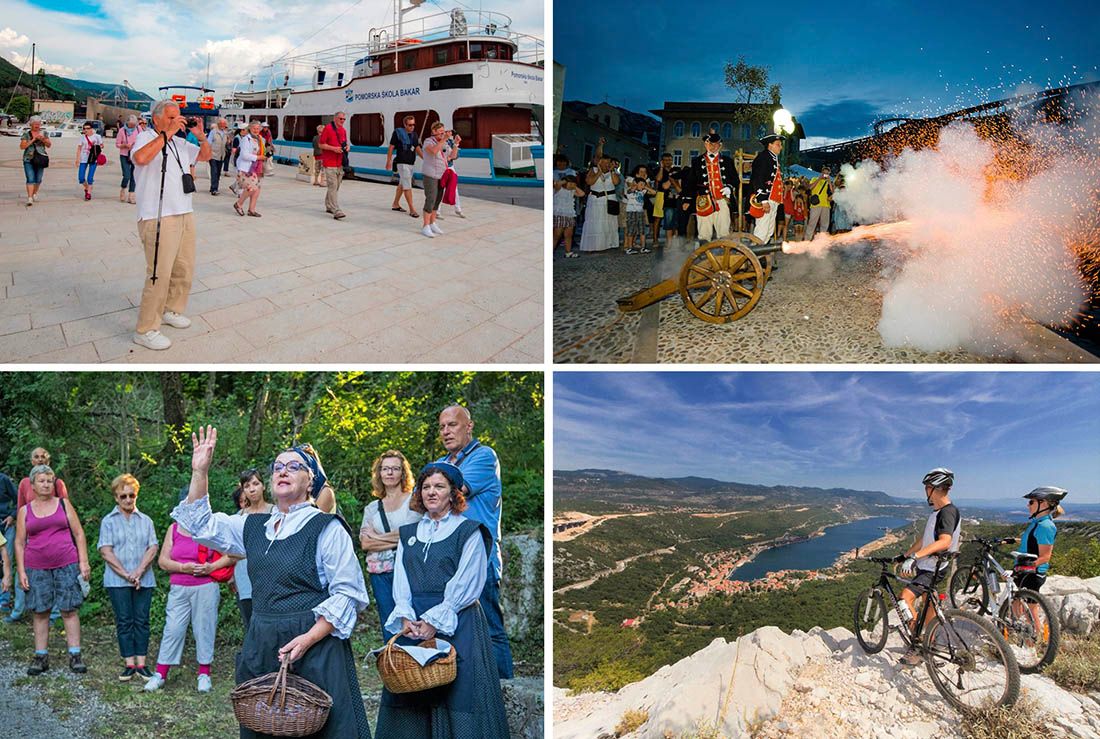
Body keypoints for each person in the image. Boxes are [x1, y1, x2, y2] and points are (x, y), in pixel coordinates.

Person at [173, 428, 373, 738]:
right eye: (278, 467)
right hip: (263, 639)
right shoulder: (253, 525)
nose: (283, 471)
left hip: (313, 641)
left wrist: (307, 640)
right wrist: (200, 471)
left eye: (294, 466)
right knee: (264, 725)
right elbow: (200, 524)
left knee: (320, 727)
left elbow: (348, 594)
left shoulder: (326, 527)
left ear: (311, 481)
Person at [374, 462, 509, 738]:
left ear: (453, 494)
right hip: (414, 624)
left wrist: (435, 620)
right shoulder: (409, 534)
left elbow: (468, 581)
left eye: (439, 486)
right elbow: (401, 579)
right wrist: (406, 616)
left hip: (458, 622)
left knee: (459, 696)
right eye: (426, 487)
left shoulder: (469, 531)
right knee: (413, 693)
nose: (431, 492)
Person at [435, 405, 513, 678]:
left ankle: (506, 692)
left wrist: (431, 491)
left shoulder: (483, 456)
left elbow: (452, 493)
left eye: (452, 425)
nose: (446, 431)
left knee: (490, 629)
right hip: (451, 561)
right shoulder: (444, 463)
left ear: (469, 427)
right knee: (457, 630)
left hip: (482, 557)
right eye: (442, 426)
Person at [129, 99, 212, 351]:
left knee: (183, 268)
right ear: (156, 119)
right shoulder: (145, 137)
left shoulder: (179, 142)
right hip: (157, 215)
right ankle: (145, 329)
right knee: (158, 273)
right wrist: (168, 133)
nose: (177, 121)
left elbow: (206, 156)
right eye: (171, 116)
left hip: (184, 211)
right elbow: (141, 158)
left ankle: (172, 310)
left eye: (179, 117)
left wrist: (201, 137)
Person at [143, 490, 233, 693]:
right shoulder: (174, 529)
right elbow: (163, 561)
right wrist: (183, 568)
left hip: (205, 586)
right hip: (179, 586)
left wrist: (211, 567)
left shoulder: (210, 528)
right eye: (188, 503)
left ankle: (204, 674)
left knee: (204, 628)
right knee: (173, 628)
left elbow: (232, 554)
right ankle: (160, 674)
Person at [14, 464, 90, 675]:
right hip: (35, 567)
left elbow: (79, 534)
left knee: (69, 609)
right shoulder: (24, 511)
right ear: (33, 485)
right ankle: (41, 657)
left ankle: (75, 655)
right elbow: (19, 543)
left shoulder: (63, 504)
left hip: (66, 563)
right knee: (40, 611)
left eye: (49, 480)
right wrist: (21, 571)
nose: (46, 484)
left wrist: (83, 562)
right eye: (42, 481)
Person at [98, 474, 158, 681]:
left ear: (136, 495)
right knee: (124, 621)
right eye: (123, 496)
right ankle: (129, 663)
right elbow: (106, 551)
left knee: (141, 621)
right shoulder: (108, 521)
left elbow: (153, 548)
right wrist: (127, 575)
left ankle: (142, 663)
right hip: (117, 581)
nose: (127, 499)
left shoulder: (146, 521)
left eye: (131, 495)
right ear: (116, 497)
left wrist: (139, 572)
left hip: (145, 579)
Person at [898, 467, 961, 665]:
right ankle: (930, 642)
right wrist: (907, 555)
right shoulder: (939, 512)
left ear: (934, 488)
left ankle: (917, 644)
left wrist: (915, 556)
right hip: (933, 567)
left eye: (927, 487)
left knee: (904, 599)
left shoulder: (946, 513)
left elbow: (944, 541)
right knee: (929, 604)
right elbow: (924, 540)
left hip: (931, 568)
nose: (925, 492)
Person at [359, 450, 421, 643]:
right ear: (379, 473)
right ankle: (395, 665)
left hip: (409, 569)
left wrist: (378, 537)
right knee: (389, 619)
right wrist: (397, 537)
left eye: (395, 468)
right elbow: (365, 543)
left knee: (413, 618)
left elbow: (414, 535)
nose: (390, 473)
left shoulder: (414, 500)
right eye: (385, 469)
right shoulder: (371, 508)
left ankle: (418, 666)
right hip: (381, 572)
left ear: (403, 473)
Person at [7, 448, 68, 624]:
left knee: (56, 571)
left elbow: (65, 509)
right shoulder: (25, 483)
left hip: (55, 537)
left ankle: (54, 614)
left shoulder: (57, 483)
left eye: (44, 457)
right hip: (30, 533)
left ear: (49, 461)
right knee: (22, 570)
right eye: (36, 457)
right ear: (31, 461)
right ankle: (19, 610)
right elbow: (20, 509)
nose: (40, 460)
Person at [231, 469, 275, 631]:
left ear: (263, 486)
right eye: (247, 485)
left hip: (272, 578)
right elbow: (231, 550)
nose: (252, 489)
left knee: (272, 624)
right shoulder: (239, 516)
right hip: (245, 578)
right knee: (250, 626)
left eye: (256, 483)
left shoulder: (275, 512)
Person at [681, 131, 738, 244]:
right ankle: (704, 256)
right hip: (703, 200)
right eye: (710, 143)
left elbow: (735, 180)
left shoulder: (727, 161)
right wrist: (687, 199)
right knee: (704, 231)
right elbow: (691, 182)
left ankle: (722, 255)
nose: (713, 146)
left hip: (722, 199)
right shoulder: (697, 161)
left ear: (720, 145)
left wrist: (729, 188)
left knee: (724, 230)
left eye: (716, 144)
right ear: (705, 144)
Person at [578, 138, 621, 252]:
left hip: (609, 199)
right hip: (595, 199)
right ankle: (593, 245)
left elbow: (616, 182)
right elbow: (589, 182)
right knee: (595, 222)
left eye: (608, 163)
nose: (606, 164)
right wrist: (599, 173)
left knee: (607, 223)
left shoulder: (614, 172)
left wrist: (611, 171)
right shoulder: (593, 170)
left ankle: (608, 244)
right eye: (604, 162)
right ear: (599, 162)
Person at [420, 121, 459, 238]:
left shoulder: (445, 143)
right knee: (430, 199)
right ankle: (425, 226)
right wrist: (444, 139)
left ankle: (432, 223)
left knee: (437, 200)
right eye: (440, 132)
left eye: (444, 132)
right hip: (430, 175)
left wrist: (456, 144)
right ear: (434, 132)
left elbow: (452, 156)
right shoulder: (428, 141)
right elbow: (433, 151)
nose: (443, 134)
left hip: (441, 176)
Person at [748, 134, 785, 246]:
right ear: (770, 145)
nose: (781, 147)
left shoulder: (772, 158)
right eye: (778, 145)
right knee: (762, 230)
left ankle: (761, 258)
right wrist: (763, 200)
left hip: (773, 199)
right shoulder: (763, 158)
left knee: (768, 230)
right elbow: (758, 179)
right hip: (766, 199)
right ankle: (754, 258)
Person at [386, 115, 422, 216]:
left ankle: (395, 204)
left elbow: (417, 147)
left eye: (413, 125)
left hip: (411, 163)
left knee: (402, 184)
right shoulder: (397, 133)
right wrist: (388, 161)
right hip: (402, 163)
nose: (412, 127)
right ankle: (412, 209)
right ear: (405, 125)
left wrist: (425, 158)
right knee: (407, 186)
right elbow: (391, 147)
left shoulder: (414, 134)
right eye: (410, 125)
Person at [319, 111, 349, 220]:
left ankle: (329, 205)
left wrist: (347, 147)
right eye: (340, 119)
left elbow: (345, 143)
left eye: (344, 119)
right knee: (332, 185)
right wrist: (333, 149)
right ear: (335, 119)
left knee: (336, 186)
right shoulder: (328, 128)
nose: (342, 121)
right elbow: (321, 144)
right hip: (329, 162)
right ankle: (336, 210)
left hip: (340, 162)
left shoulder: (343, 131)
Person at [552, 153, 583, 258]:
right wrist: (566, 180)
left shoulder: (572, 191)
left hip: (570, 214)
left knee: (568, 235)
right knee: (556, 235)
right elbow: (557, 184)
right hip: (559, 213)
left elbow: (582, 193)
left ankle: (568, 252)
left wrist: (574, 186)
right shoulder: (558, 189)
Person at [233, 121, 264, 219]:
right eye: (254, 128)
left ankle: (251, 210)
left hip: (253, 168)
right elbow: (244, 155)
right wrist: (258, 157)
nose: (256, 130)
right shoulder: (246, 139)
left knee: (257, 189)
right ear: (250, 128)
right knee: (252, 188)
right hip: (245, 169)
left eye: (258, 128)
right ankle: (239, 204)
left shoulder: (258, 139)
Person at [19, 116, 52, 207]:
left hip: (40, 158)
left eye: (38, 124)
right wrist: (33, 139)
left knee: (38, 179)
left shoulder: (44, 133)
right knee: (30, 178)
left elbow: (49, 145)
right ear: (31, 124)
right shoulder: (26, 134)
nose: (37, 126)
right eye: (35, 124)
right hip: (28, 159)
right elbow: (22, 146)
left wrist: (43, 140)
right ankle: (30, 198)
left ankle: (34, 193)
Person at [623, 165, 655, 254]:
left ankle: (642, 247)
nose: (643, 173)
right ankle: (629, 247)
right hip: (631, 212)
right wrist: (637, 184)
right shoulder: (631, 186)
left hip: (640, 211)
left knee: (641, 229)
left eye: (645, 171)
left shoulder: (643, 190)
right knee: (630, 230)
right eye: (641, 171)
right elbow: (629, 190)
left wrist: (644, 185)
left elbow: (653, 192)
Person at [653, 153, 680, 246]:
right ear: (662, 161)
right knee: (658, 218)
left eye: (669, 160)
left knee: (672, 218)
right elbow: (658, 179)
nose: (668, 162)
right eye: (666, 160)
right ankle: (655, 239)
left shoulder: (675, 170)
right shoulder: (658, 170)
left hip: (672, 196)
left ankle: (672, 240)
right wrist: (661, 168)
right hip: (661, 194)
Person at [803, 165, 833, 241]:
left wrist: (829, 182)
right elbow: (810, 187)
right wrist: (819, 179)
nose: (825, 174)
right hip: (816, 204)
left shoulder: (829, 182)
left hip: (826, 205)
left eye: (827, 173)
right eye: (824, 172)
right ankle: (807, 240)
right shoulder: (814, 178)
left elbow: (832, 192)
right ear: (821, 172)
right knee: (812, 223)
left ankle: (821, 241)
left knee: (824, 225)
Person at [75, 121, 103, 201]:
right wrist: (77, 159)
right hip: (83, 158)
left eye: (88, 128)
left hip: (93, 159)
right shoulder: (82, 137)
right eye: (84, 129)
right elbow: (79, 148)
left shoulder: (97, 136)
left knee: (90, 177)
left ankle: (88, 193)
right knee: (81, 178)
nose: (86, 130)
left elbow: (101, 146)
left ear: (91, 129)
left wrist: (96, 146)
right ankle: (87, 187)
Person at [0, 470, 16, 613]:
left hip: (5, 525)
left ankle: (4, 600)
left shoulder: (4, 480)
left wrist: (12, 516)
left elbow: (19, 500)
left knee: (6, 559)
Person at [116, 115, 140, 204]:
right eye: (131, 124)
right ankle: (123, 188)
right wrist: (125, 145)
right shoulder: (122, 131)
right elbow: (117, 144)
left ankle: (131, 195)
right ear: (127, 123)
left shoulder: (139, 130)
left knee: (134, 175)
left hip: (135, 154)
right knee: (127, 175)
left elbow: (142, 140)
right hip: (124, 154)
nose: (132, 126)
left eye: (134, 124)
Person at [206, 118, 230, 196]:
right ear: (218, 124)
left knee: (218, 172)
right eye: (221, 124)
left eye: (224, 124)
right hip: (213, 155)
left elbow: (226, 143)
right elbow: (208, 142)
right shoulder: (213, 132)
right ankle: (214, 189)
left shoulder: (225, 133)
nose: (223, 125)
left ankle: (213, 187)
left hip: (221, 155)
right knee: (214, 172)